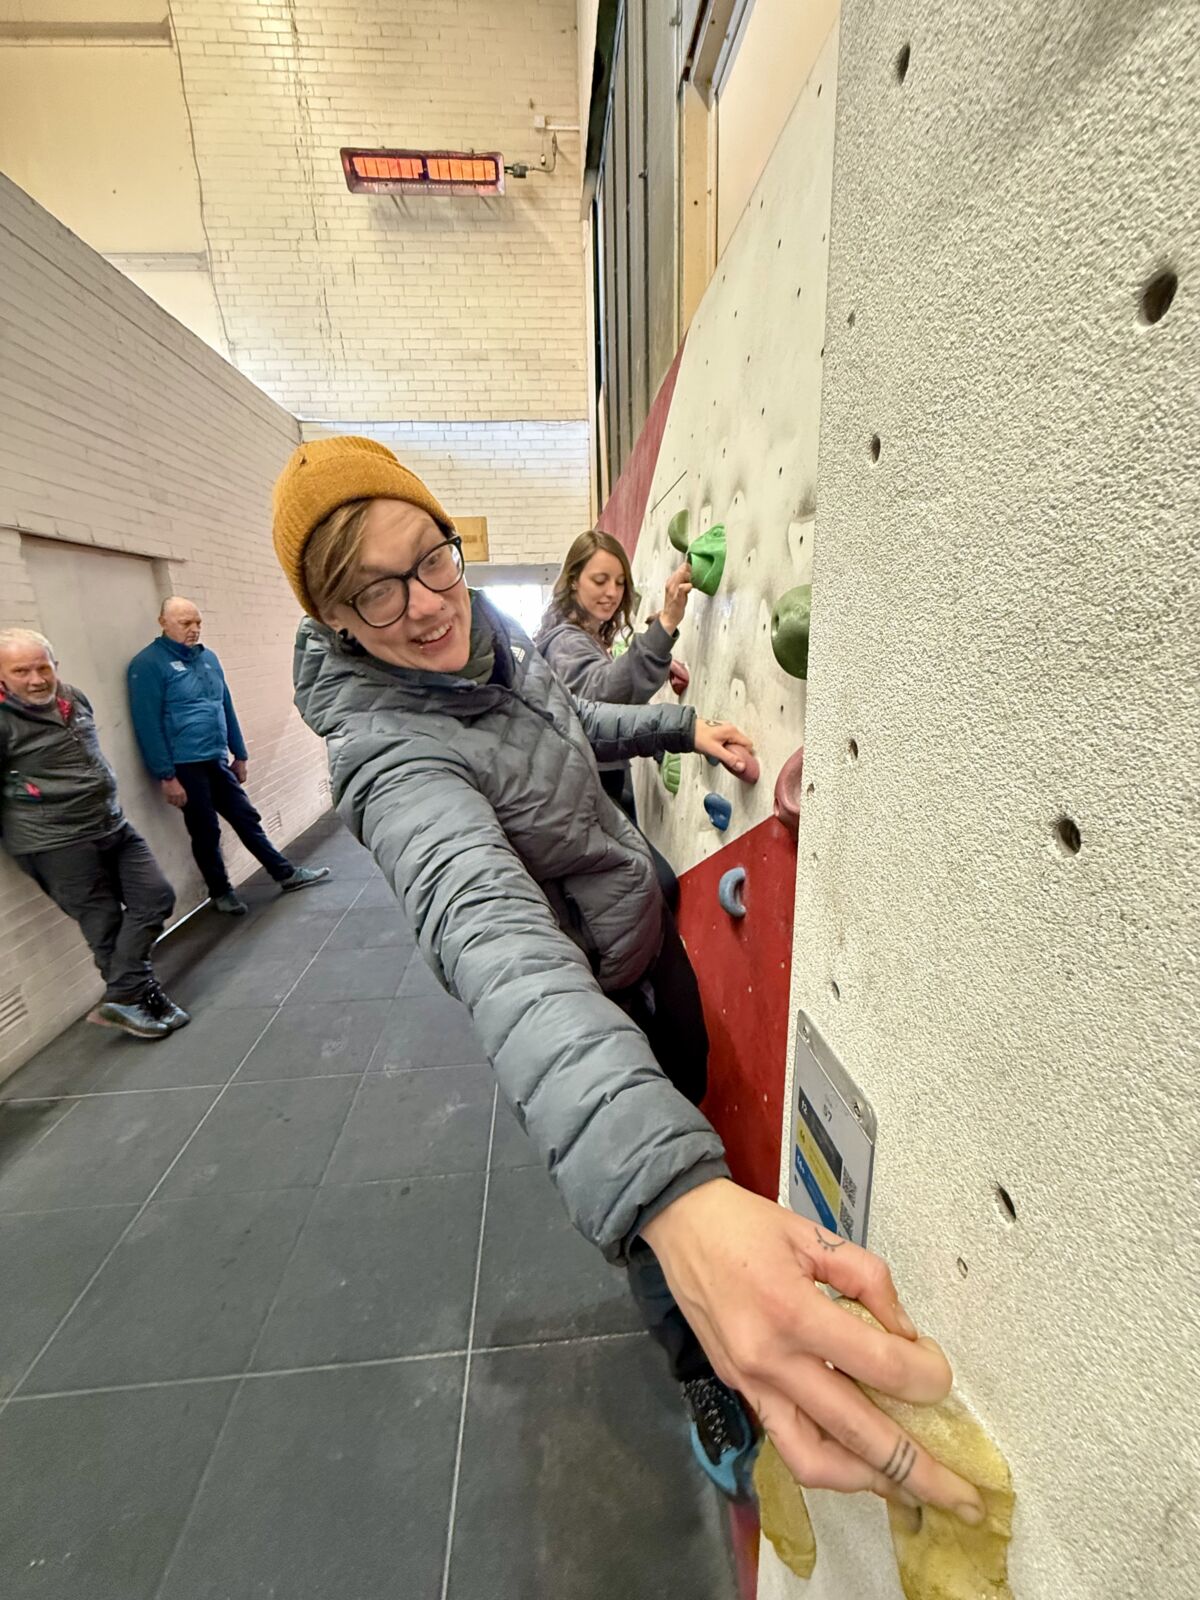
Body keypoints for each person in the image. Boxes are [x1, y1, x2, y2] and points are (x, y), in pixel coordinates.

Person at [270, 436, 985, 1522]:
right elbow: (494, 942)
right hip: (592, 995)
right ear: (334, 621)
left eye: (431, 558)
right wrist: (670, 1192)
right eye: (374, 590)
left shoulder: (487, 651)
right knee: (658, 1203)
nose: (421, 604)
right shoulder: (389, 756)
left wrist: (676, 723)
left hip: (651, 939)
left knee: (685, 1091)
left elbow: (566, 725)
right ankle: (698, 1367)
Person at [0, 628, 187, 1040]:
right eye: (20, 671)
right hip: (54, 841)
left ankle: (122, 996)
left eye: (41, 667)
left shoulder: (73, 697)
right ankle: (143, 998)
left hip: (109, 822)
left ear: (55, 666)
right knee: (103, 924)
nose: (35, 680)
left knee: (155, 897)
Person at [127, 597, 330, 915]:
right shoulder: (148, 665)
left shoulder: (208, 658)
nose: (193, 629)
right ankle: (221, 892)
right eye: (185, 623)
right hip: (185, 764)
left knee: (245, 817)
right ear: (163, 623)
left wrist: (241, 753)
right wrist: (166, 775)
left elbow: (225, 706)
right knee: (205, 830)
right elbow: (147, 724)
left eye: (197, 623)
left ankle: (285, 874)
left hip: (216, 757)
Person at [535, 529, 691, 825]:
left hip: (593, 786)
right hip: (593, 789)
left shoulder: (581, 638)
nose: (612, 592)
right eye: (600, 580)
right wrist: (667, 623)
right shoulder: (565, 642)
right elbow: (606, 696)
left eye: (620, 583)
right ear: (572, 581)